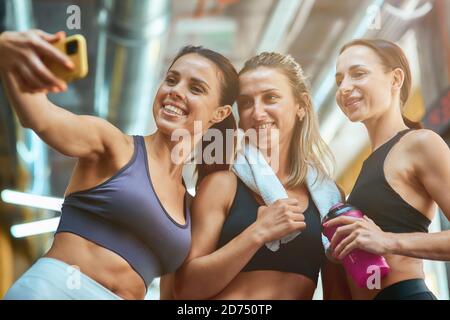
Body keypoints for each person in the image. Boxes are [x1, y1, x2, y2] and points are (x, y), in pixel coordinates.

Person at [0, 29, 238, 299]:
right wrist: (6, 53)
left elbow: (178, 294)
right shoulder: (112, 144)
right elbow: (40, 118)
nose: (176, 91)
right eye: (171, 80)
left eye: (195, 88)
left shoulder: (191, 207)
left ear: (220, 113)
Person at [172, 52, 350, 300]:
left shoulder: (329, 196)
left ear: (301, 106)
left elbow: (336, 292)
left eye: (271, 98)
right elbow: (186, 289)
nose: (257, 112)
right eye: (246, 103)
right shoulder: (222, 185)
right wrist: (258, 232)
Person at [328, 39, 450, 300]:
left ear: (395, 79)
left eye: (358, 74)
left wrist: (388, 241)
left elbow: (383, 241)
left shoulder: (420, 143)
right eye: (339, 80)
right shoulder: (366, 167)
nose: (345, 87)